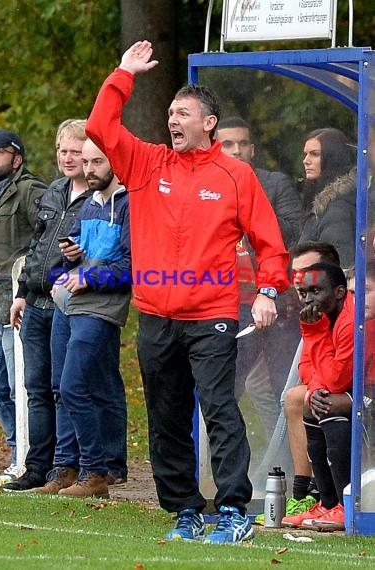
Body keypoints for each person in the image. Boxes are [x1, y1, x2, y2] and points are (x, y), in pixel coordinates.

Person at [86, 40, 289, 543]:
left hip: (213, 315)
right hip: (156, 315)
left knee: (220, 410)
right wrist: (123, 74)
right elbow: (100, 129)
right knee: (167, 417)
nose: (172, 120)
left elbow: (270, 242)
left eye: (183, 113)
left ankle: (236, 510)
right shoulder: (146, 163)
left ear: (209, 122)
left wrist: (267, 290)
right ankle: (185, 511)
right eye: (171, 113)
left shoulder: (235, 176)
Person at [32, 138, 131, 498]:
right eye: (85, 162)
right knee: (60, 388)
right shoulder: (90, 203)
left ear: (116, 163)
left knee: (76, 386)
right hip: (69, 306)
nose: (88, 170)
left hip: (100, 308)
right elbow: (84, 258)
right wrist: (73, 258)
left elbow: (129, 268)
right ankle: (65, 468)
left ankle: (96, 472)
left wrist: (87, 276)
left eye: (97, 162)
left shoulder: (129, 205)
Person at [1, 120, 91, 492]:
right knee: (35, 387)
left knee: (62, 387)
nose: (67, 158)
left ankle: (66, 466)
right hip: (34, 301)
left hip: (66, 303)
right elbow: (35, 248)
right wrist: (21, 292)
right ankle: (37, 465)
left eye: (75, 151)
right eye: (62, 150)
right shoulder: (54, 191)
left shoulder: (101, 198)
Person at [216, 116, 301, 436]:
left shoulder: (274, 183)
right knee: (228, 386)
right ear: (215, 146)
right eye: (227, 144)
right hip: (227, 301)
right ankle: (219, 470)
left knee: (282, 383)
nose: (236, 150)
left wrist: (249, 222)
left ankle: (292, 468)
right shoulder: (207, 185)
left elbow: (293, 231)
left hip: (274, 298)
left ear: (252, 148)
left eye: (242, 144)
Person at [253, 241, 341, 525]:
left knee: (310, 399)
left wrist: (317, 385)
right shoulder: (312, 310)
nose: (301, 283)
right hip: (328, 382)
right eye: (296, 276)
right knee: (293, 397)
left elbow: (343, 373)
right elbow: (308, 365)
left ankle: (331, 496)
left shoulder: (346, 309)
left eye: (310, 273)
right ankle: (305, 494)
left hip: (355, 388)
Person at [282, 262, 354, 531]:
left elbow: (337, 379)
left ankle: (347, 505)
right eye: (304, 292)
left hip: (365, 392)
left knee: (328, 405)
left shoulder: (348, 320)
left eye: (316, 291)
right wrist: (314, 389)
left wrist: (314, 334)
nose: (309, 299)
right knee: (312, 402)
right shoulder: (320, 317)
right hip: (346, 388)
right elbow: (306, 368)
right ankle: (328, 502)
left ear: (338, 292)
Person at [0, 129, 46, 476]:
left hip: (15, 300)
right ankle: (19, 452)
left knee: (20, 384)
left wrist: (26, 286)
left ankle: (28, 457)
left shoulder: (30, 190)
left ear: (16, 156)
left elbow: (47, 237)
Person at [299, 127, 356, 269]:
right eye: (306, 154)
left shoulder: (337, 208)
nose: (306, 161)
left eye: (315, 154)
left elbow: (340, 265)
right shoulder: (326, 202)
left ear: (332, 157)